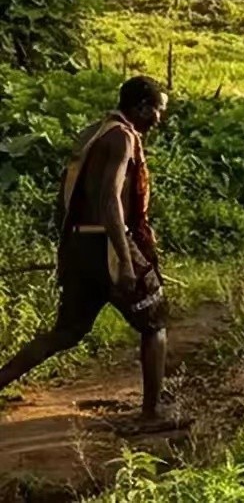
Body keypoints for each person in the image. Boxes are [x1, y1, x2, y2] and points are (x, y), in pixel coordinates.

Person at [0, 77, 171, 421]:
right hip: (107, 242)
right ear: (141, 107)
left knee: (66, 331)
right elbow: (110, 198)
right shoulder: (122, 138)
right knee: (155, 323)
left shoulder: (93, 132)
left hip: (81, 243)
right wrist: (124, 259)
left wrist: (70, 248)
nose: (159, 119)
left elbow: (67, 195)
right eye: (157, 110)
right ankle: (153, 413)